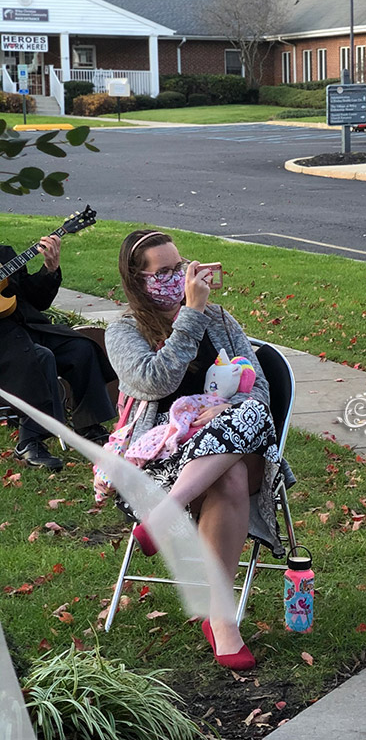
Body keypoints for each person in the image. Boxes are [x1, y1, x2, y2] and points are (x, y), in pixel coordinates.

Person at [106, 229, 287, 671]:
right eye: (164, 271)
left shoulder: (222, 321)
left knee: (251, 418)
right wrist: (191, 315)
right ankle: (222, 621)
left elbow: (258, 388)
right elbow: (157, 380)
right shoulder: (123, 332)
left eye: (179, 265)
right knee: (231, 476)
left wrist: (221, 407)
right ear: (138, 280)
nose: (178, 276)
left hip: (228, 443)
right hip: (162, 458)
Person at [3, 234, 115, 471]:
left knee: (80, 348)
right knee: (39, 357)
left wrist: (49, 269)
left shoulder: (4, 255)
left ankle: (88, 425)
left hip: (27, 327)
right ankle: (29, 441)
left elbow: (36, 300)